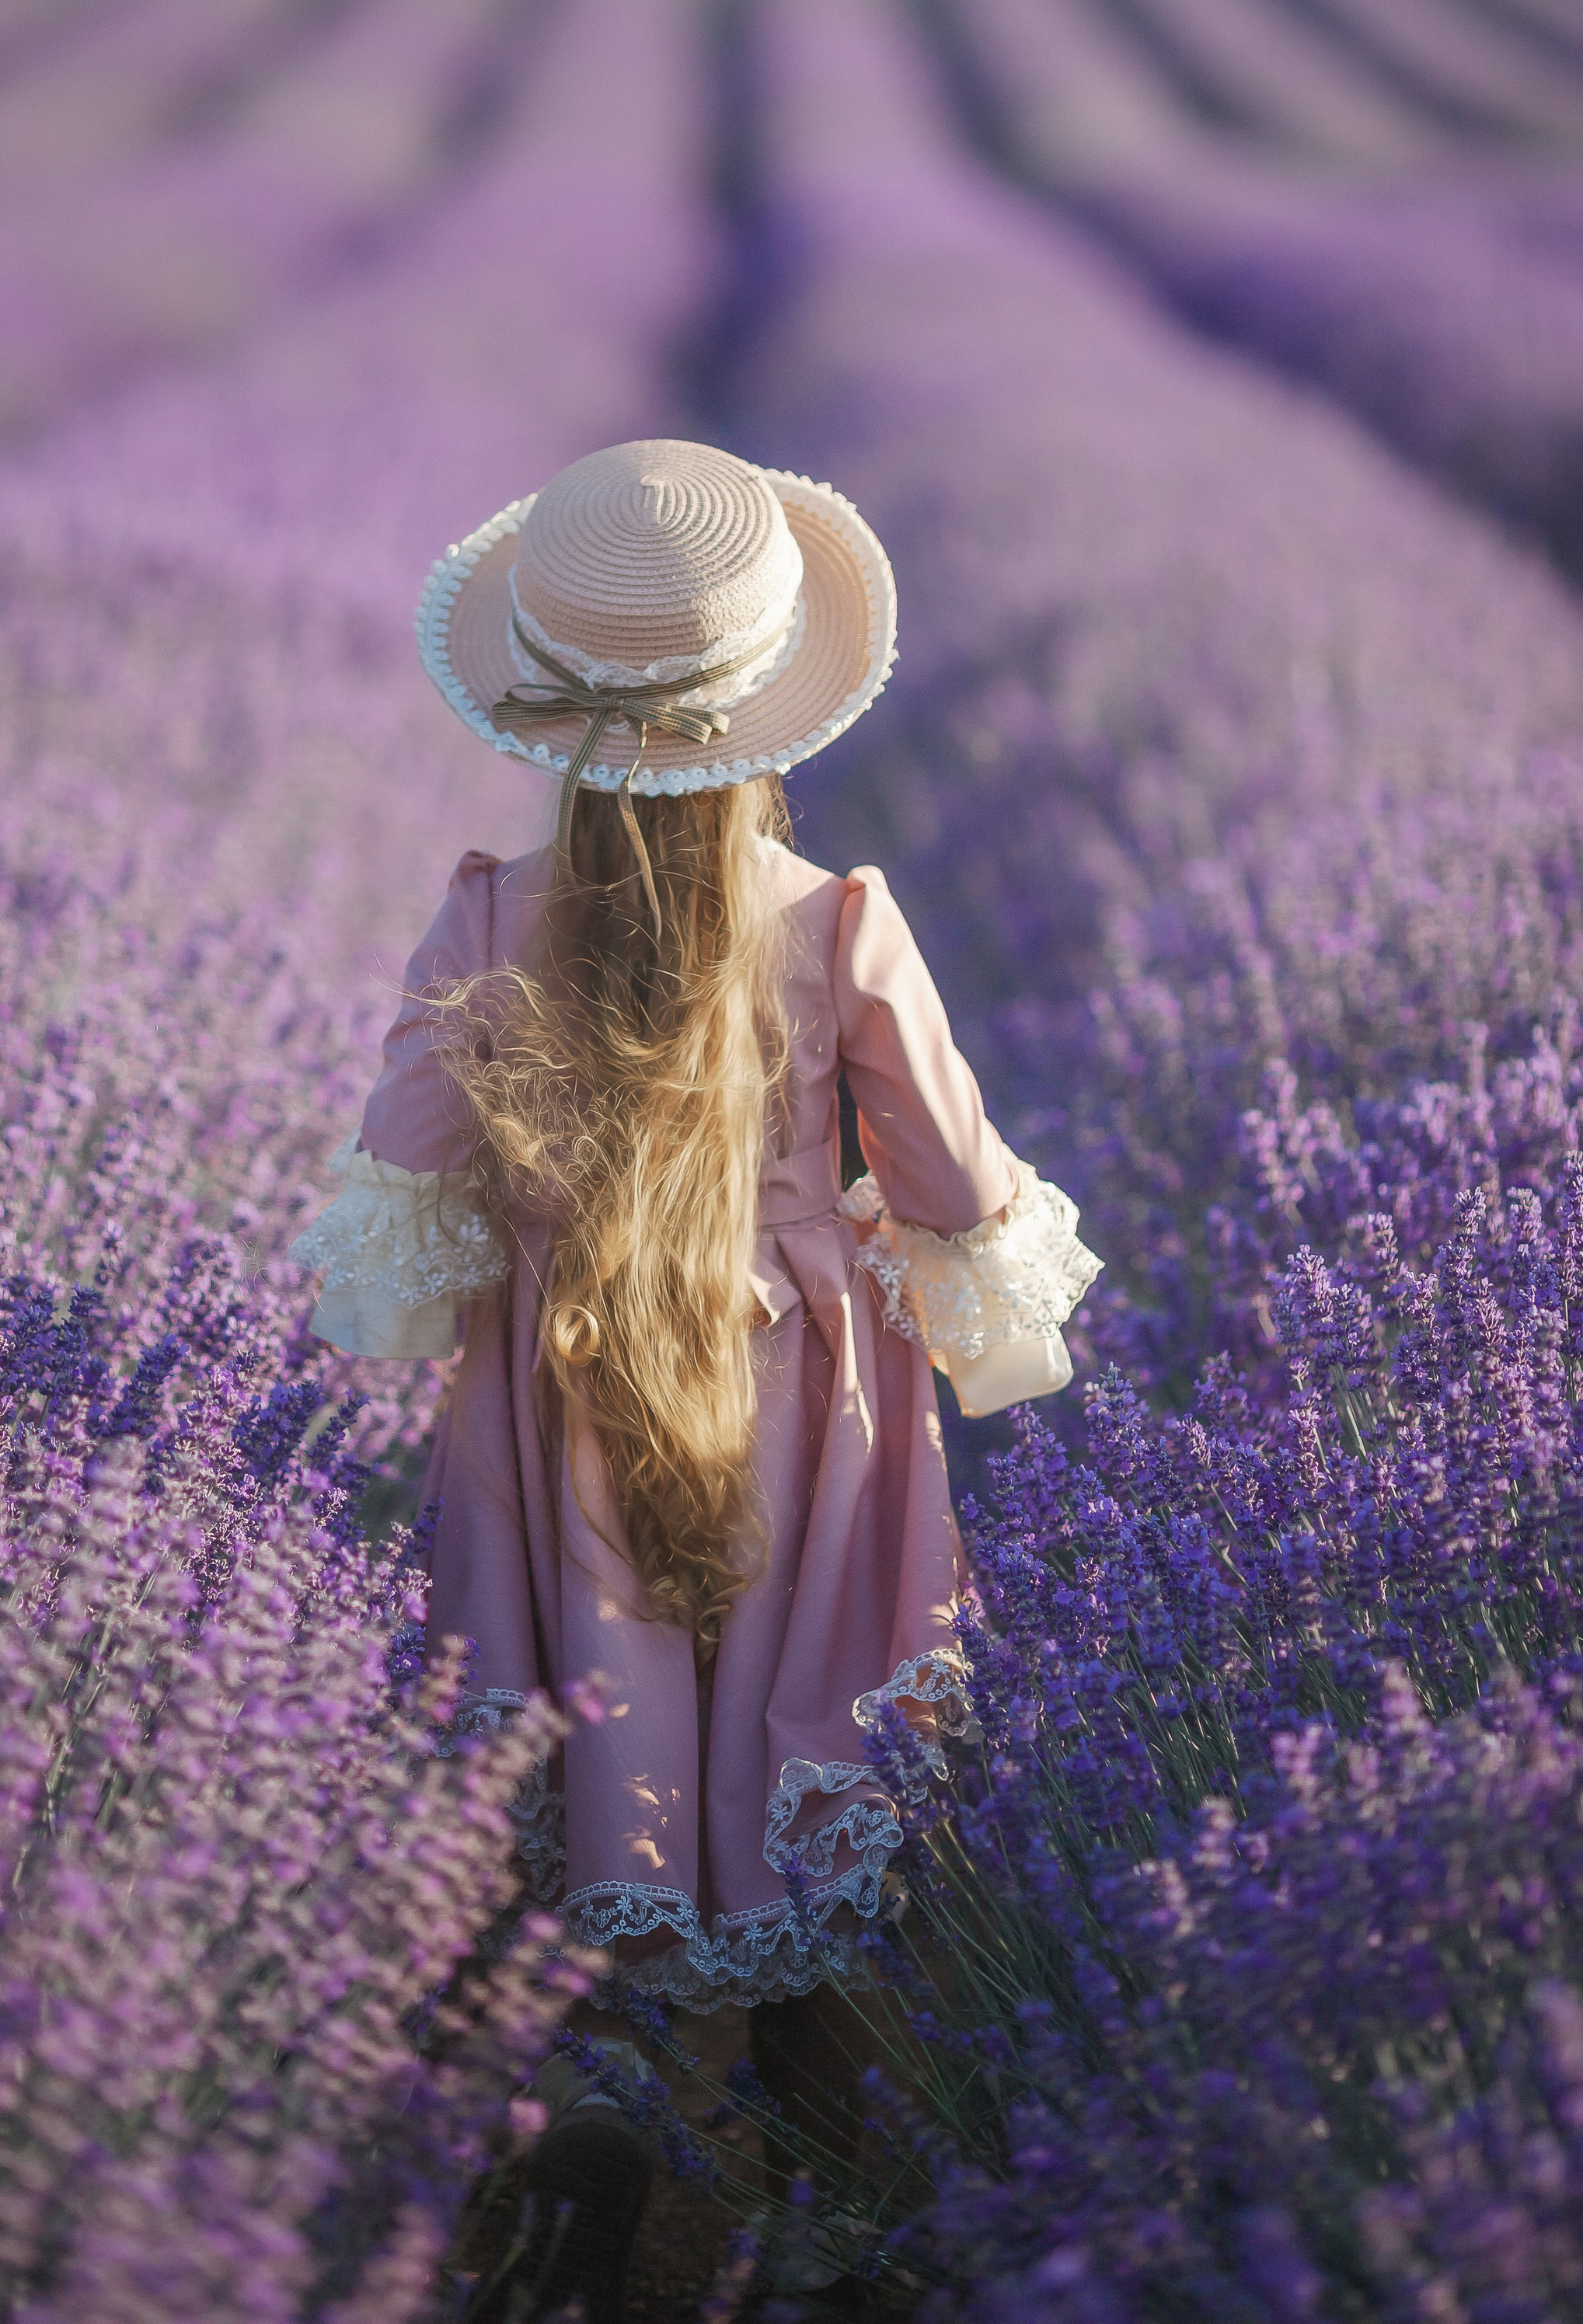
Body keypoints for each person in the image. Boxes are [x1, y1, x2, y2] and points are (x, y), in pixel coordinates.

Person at [293, 440, 1100, 2320]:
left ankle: (592, 2113)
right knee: (802, 1751)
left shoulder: (485, 916)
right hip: (805, 1427)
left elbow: (401, 1214)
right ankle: (824, 2178)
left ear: (547, 712)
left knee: (595, 1737)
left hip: (558, 1404)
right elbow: (965, 1206)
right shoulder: (839, 924)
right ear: (765, 708)